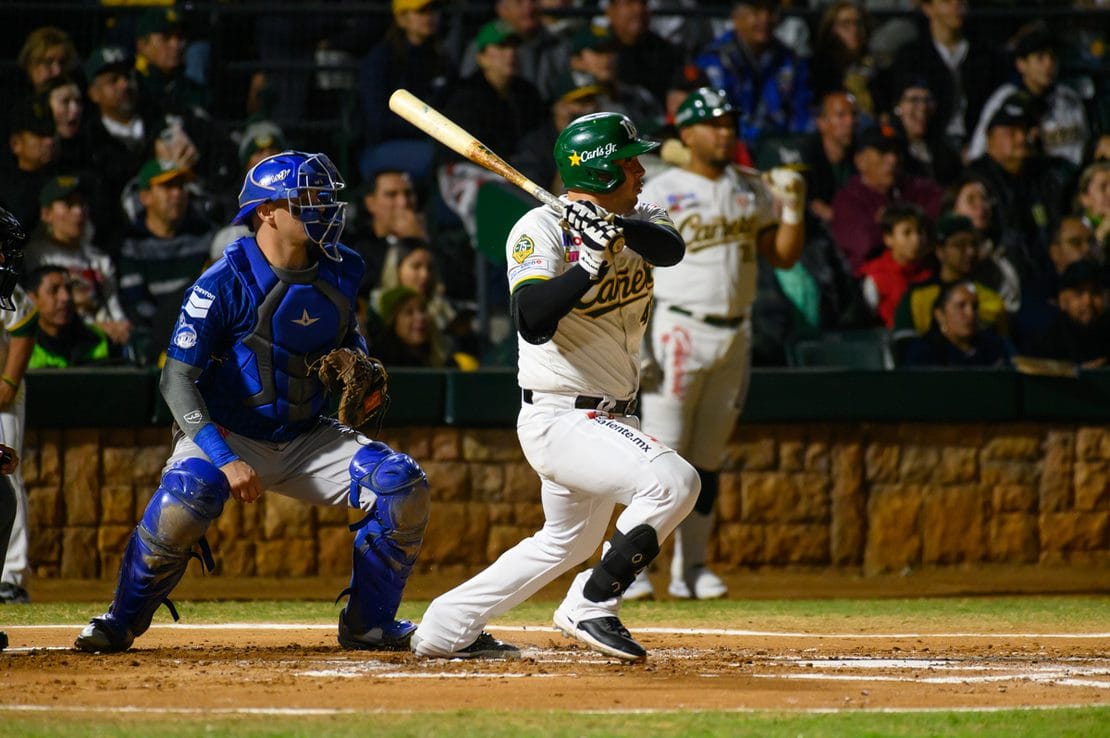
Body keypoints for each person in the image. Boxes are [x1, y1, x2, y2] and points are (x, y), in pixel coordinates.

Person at [75, 150, 429, 654]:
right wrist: (225, 458)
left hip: (306, 432)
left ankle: (368, 624)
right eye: (308, 200)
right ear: (267, 211)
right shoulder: (222, 281)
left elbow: (349, 334)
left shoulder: (344, 268)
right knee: (187, 496)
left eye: (326, 199)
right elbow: (176, 381)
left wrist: (361, 364)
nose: (325, 209)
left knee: (401, 482)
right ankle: (119, 620)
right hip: (229, 430)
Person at [413, 112, 698, 661]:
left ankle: (446, 627)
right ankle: (591, 604)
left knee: (567, 542)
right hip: (561, 417)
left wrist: (613, 229)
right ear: (599, 170)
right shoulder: (539, 230)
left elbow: (668, 248)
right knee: (674, 482)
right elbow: (532, 318)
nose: (640, 170)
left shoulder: (640, 214)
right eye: (628, 161)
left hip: (614, 417)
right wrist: (586, 265)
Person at [629, 88, 805, 600]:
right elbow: (633, 266)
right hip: (677, 328)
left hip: (735, 331)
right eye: (713, 123)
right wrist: (640, 341)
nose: (724, 131)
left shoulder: (747, 189)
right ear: (687, 134)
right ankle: (634, 568)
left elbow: (783, 256)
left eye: (730, 123)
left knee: (707, 459)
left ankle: (692, 569)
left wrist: (792, 207)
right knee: (661, 457)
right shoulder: (660, 189)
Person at [118, 159, 214, 365]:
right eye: (167, 187)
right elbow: (136, 305)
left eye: (180, 186)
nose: (177, 194)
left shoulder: (204, 235)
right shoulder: (131, 243)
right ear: (145, 197)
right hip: (158, 339)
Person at [25, 175, 131, 348]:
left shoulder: (99, 260)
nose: (78, 212)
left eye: (81, 204)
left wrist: (121, 326)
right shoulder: (34, 256)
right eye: (68, 205)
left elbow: (115, 309)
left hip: (102, 343)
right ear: (46, 214)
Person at [966, 22, 1089, 167]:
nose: (1048, 64)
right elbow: (977, 152)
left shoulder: (1070, 99)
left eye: (1052, 57)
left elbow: (1085, 145)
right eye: (1040, 57)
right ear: (1021, 64)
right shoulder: (1003, 99)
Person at [694, 0, 813, 143]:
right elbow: (718, 115)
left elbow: (802, 112)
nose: (765, 19)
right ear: (736, 18)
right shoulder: (715, 58)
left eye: (770, 11)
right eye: (756, 11)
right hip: (733, 147)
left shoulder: (789, 60)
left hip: (783, 148)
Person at [830, 124, 942, 272]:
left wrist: (886, 222)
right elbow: (864, 244)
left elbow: (940, 212)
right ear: (860, 160)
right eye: (882, 152)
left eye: (895, 152)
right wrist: (898, 222)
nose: (892, 159)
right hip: (872, 286)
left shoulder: (911, 187)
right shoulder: (848, 199)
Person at [0, 207, 34, 605]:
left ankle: (10, 578)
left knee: (4, 490)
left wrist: (8, 381)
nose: (5, 258)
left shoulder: (7, 291)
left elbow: (26, 321)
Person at [900, 280, 1014, 368]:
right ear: (940, 315)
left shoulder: (994, 347)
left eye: (974, 306)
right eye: (961, 306)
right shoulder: (924, 353)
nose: (970, 313)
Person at [860, 202, 933, 328]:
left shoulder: (932, 271)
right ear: (888, 239)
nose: (916, 239)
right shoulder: (875, 277)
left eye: (920, 232)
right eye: (907, 233)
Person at [1028, 259, 1110, 368]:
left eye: (1095, 292)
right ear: (1062, 300)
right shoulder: (1047, 342)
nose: (1088, 301)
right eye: (1079, 293)